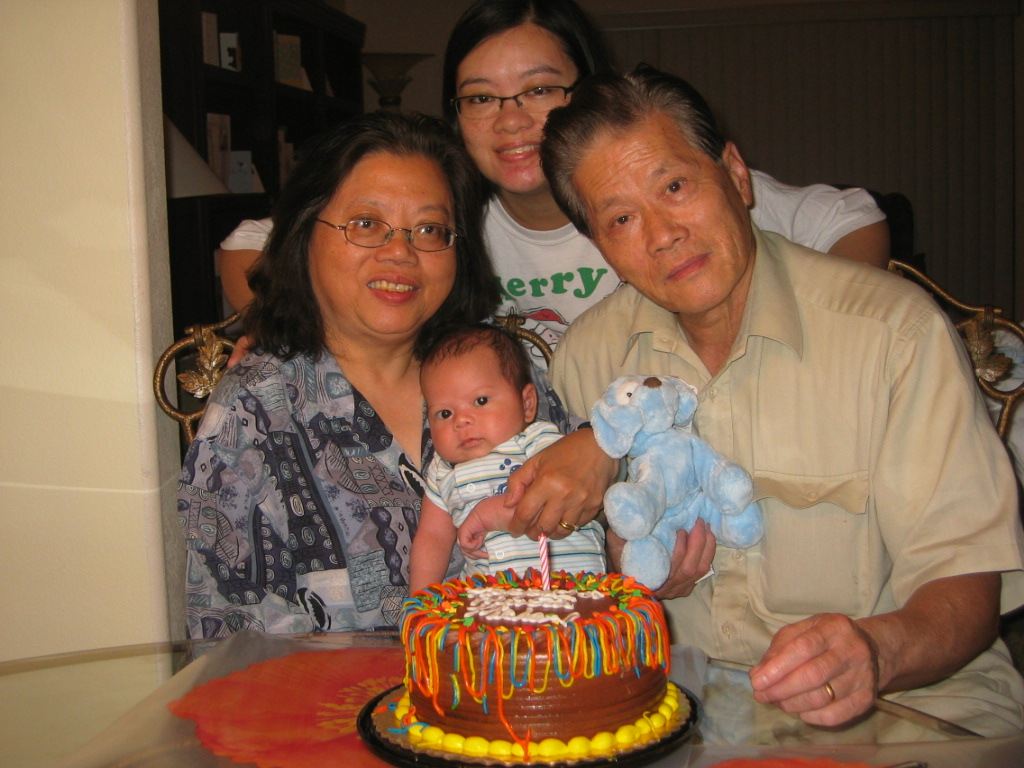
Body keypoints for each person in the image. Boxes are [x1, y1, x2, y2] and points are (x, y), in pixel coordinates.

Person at [540, 65, 1024, 736]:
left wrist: (874, 651)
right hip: (678, 720)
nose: (662, 234)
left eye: (675, 187)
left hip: (910, 713)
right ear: (601, 246)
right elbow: (561, 586)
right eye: (621, 218)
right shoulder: (588, 358)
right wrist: (621, 573)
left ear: (736, 175)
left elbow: (966, 588)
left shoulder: (893, 334)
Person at [216, 0, 890, 349]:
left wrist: (822, 336)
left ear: (588, 89)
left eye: (540, 90)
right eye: (480, 98)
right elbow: (248, 245)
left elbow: (852, 220)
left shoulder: (667, 196)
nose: (511, 120)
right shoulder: (441, 220)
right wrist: (300, 340)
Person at [176, 112, 601, 639]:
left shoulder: (496, 365)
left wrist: (601, 451)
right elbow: (226, 634)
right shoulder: (255, 408)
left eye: (429, 229)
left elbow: (592, 498)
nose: (400, 252)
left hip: (538, 677)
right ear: (305, 232)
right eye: (365, 224)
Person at [409, 324, 606, 593]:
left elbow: (556, 501)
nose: (461, 420)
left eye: (480, 401)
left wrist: (489, 515)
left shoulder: (539, 442)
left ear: (527, 404)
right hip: (488, 601)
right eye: (444, 413)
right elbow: (432, 539)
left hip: (573, 589)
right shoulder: (441, 471)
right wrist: (420, 601)